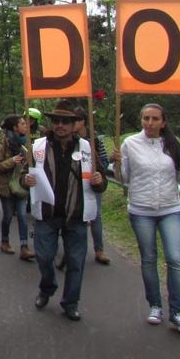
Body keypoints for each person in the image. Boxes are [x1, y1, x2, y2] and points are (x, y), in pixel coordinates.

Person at [112, 103, 180, 335]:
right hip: (141, 209)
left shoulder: (172, 144)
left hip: (170, 208)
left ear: (163, 122)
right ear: (141, 121)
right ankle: (155, 306)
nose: (149, 123)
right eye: (146, 118)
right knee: (149, 259)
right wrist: (116, 163)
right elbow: (123, 178)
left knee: (175, 259)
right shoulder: (130, 143)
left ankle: (177, 312)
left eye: (154, 119)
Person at [25, 100, 107, 322]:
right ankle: (47, 287)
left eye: (65, 121)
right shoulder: (38, 147)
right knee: (44, 257)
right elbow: (26, 176)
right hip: (47, 213)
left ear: (74, 125)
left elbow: (101, 181)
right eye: (56, 121)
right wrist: (27, 180)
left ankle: (71, 302)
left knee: (75, 261)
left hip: (76, 215)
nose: (60, 125)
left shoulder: (87, 149)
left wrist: (99, 181)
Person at [0, 114, 34, 261]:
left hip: (22, 184)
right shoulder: (3, 143)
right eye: (22, 124)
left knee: (23, 216)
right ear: (15, 127)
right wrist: (12, 161)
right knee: (8, 215)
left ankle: (24, 246)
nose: (26, 126)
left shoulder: (27, 143)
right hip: (7, 186)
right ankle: (5, 241)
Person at [73, 106, 111, 265]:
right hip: (74, 182)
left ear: (82, 122)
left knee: (95, 215)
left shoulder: (94, 139)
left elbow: (104, 161)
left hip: (91, 183)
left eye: (74, 120)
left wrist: (96, 172)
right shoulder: (70, 140)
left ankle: (99, 249)